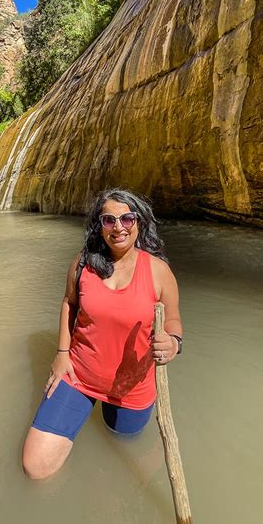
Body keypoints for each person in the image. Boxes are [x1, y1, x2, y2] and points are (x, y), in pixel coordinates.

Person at [22, 188, 183, 480]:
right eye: (109, 220)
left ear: (140, 223)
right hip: (79, 376)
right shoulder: (83, 263)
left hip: (130, 388)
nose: (118, 227)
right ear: (100, 225)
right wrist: (61, 356)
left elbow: (172, 320)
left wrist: (173, 343)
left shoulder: (159, 272)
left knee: (121, 442)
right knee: (35, 467)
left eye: (127, 218)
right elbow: (69, 304)